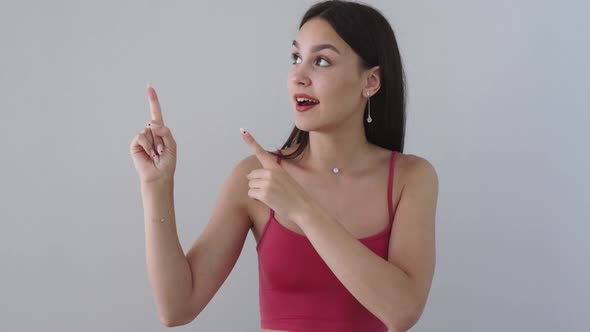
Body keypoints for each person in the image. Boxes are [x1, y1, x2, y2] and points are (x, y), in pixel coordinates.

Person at [129, 1, 438, 331]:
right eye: (295, 58)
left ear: (371, 81)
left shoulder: (410, 178)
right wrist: (156, 187)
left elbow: (402, 311)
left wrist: (302, 209)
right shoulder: (256, 177)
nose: (298, 76)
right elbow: (177, 307)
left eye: (321, 61)